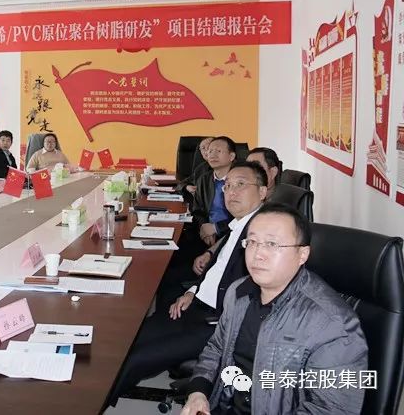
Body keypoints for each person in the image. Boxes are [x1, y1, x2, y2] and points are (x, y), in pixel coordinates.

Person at [181, 203, 368, 415]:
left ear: (302, 254)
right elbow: (216, 348)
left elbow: (330, 409)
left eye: (272, 244)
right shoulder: (238, 292)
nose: (257, 254)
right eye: (252, 242)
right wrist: (198, 393)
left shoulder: (332, 325)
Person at [109, 161, 268, 405]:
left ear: (263, 191)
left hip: (216, 324)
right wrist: (192, 291)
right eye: (227, 186)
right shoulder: (240, 224)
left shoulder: (262, 234)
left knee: (134, 359)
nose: (231, 192)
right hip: (196, 305)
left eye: (240, 184)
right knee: (126, 341)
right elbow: (217, 271)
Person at [191, 136, 238, 247]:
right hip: (205, 234)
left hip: (232, 235)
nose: (212, 155)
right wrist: (204, 228)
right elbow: (197, 210)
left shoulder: (241, 182)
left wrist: (216, 228)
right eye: (210, 151)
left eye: (218, 151)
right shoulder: (204, 179)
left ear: (231, 156)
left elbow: (245, 215)